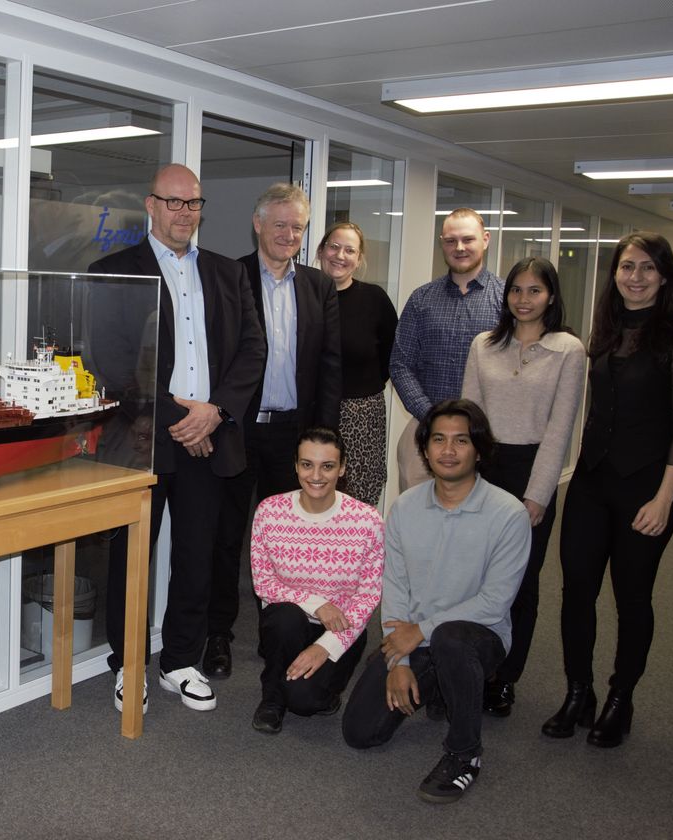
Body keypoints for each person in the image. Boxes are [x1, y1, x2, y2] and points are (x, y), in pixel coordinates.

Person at [87, 163, 266, 713]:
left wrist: (214, 413)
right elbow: (112, 363)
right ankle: (129, 664)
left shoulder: (226, 273)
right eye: (174, 202)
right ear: (150, 205)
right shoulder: (115, 271)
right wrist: (178, 418)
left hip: (210, 437)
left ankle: (180, 661)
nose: (184, 213)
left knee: (198, 555)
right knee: (131, 558)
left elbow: (252, 350)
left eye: (193, 203)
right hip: (144, 438)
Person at [547, 232, 673, 747]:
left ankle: (620, 698)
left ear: (664, 277)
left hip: (645, 488)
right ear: (614, 275)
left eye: (647, 269)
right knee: (576, 593)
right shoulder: (605, 334)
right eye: (626, 267)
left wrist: (664, 498)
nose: (634, 277)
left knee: (632, 598)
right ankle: (578, 691)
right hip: (592, 483)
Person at [342, 399, 530, 804]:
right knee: (359, 732)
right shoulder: (406, 507)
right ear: (425, 450)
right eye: (439, 440)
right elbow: (394, 588)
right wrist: (399, 662)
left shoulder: (508, 514)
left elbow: (495, 602)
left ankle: (464, 755)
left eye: (461, 440)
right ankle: (443, 686)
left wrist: (420, 633)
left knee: (450, 640)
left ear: (478, 449)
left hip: (477, 638)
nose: (448, 450)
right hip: (413, 639)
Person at [202, 183, 342, 681]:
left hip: (294, 437)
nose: (289, 234)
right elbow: (215, 358)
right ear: (258, 224)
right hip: (238, 430)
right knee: (226, 535)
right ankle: (217, 634)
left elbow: (328, 366)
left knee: (290, 543)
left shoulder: (319, 286)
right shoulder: (226, 276)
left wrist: (323, 438)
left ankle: (278, 632)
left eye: (298, 227)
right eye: (279, 224)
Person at [461, 257, 585, 717]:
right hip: (485, 467)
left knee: (520, 580)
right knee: (473, 574)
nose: (524, 299)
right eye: (516, 290)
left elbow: (560, 429)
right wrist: (461, 480)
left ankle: (505, 677)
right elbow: (468, 418)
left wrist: (538, 496)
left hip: (533, 468)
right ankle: (466, 664)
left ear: (551, 296)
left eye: (535, 290)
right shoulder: (483, 345)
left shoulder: (567, 350)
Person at [249, 427, 383, 734]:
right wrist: (317, 603)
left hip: (340, 628)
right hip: (288, 623)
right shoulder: (270, 512)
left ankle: (319, 692)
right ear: (295, 466)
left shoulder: (367, 520)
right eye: (307, 464)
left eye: (328, 466)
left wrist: (326, 645)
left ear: (343, 467)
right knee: (285, 617)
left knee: (304, 701)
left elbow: (368, 595)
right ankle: (271, 698)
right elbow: (264, 583)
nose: (316, 476)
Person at [389, 209, 505, 491]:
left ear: (485, 240)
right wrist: (431, 416)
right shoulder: (421, 299)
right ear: (442, 242)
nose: (460, 248)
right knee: (416, 516)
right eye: (451, 241)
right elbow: (400, 364)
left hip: (485, 433)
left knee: (475, 522)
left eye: (468, 239)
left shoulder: (505, 300)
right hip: (425, 428)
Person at [316, 221, 398, 507]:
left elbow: (393, 354)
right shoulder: (304, 293)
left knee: (358, 498)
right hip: (311, 413)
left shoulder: (374, 299)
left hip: (362, 416)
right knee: (314, 495)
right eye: (334, 247)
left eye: (350, 250)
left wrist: (363, 389)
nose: (340, 255)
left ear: (359, 258)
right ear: (321, 250)